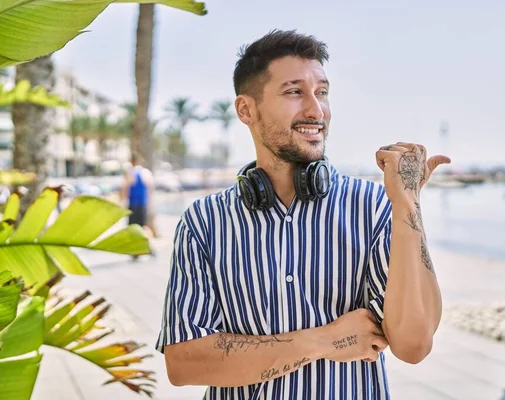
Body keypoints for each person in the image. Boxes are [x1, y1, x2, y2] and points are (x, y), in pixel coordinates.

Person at [156, 30, 451, 399]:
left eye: (322, 92)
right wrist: (325, 341)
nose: (316, 110)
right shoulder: (204, 223)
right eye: (294, 92)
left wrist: (407, 203)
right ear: (247, 109)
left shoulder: (374, 206)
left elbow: (413, 345)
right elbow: (183, 362)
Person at [120, 153, 155, 258]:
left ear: (131, 162)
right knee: (143, 227)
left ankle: (136, 251)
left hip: (133, 205)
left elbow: (125, 188)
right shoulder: (146, 172)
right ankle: (148, 248)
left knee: (132, 228)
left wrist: (121, 201)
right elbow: (150, 189)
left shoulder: (130, 173)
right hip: (143, 204)